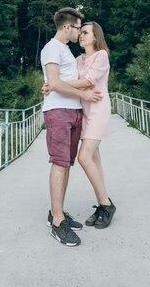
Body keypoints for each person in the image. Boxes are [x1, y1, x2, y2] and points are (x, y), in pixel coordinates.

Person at [44, 21, 116, 230]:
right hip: (84, 111)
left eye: (85, 32)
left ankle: (107, 204)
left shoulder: (101, 55)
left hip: (98, 109)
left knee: (84, 157)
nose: (81, 35)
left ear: (95, 37)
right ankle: (102, 204)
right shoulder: (77, 59)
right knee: (94, 159)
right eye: (80, 31)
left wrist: (53, 85)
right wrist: (55, 83)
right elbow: (69, 78)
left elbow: (87, 81)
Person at [40, 7, 103, 247]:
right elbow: (54, 82)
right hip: (58, 111)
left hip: (73, 112)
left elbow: (57, 82)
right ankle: (57, 222)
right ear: (68, 27)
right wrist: (82, 95)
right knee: (59, 164)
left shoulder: (65, 50)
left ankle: (58, 212)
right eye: (78, 28)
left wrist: (70, 93)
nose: (79, 32)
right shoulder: (52, 48)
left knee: (66, 165)